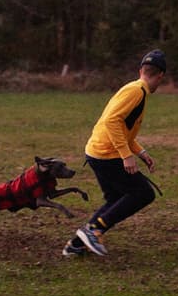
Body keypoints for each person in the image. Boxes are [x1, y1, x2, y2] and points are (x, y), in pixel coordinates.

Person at [62, 49, 167, 257]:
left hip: (97, 151)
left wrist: (140, 151)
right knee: (143, 193)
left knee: (116, 198)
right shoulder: (138, 91)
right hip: (106, 154)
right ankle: (93, 230)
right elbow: (112, 121)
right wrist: (126, 155)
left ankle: (76, 244)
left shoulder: (134, 88)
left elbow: (122, 127)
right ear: (161, 76)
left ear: (141, 70)